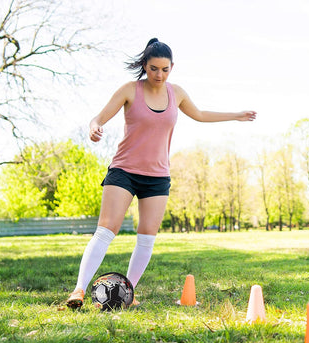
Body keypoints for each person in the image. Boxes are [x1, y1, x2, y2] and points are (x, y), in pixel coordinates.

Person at [66, 38, 256, 308]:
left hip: (157, 177)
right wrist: (93, 128)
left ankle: (127, 293)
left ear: (172, 67)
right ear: (145, 65)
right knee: (107, 229)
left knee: (147, 237)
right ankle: (79, 290)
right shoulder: (130, 90)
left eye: (165, 69)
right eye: (154, 69)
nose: (159, 75)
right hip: (124, 170)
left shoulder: (175, 93)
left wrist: (235, 115)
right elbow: (98, 118)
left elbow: (200, 114)